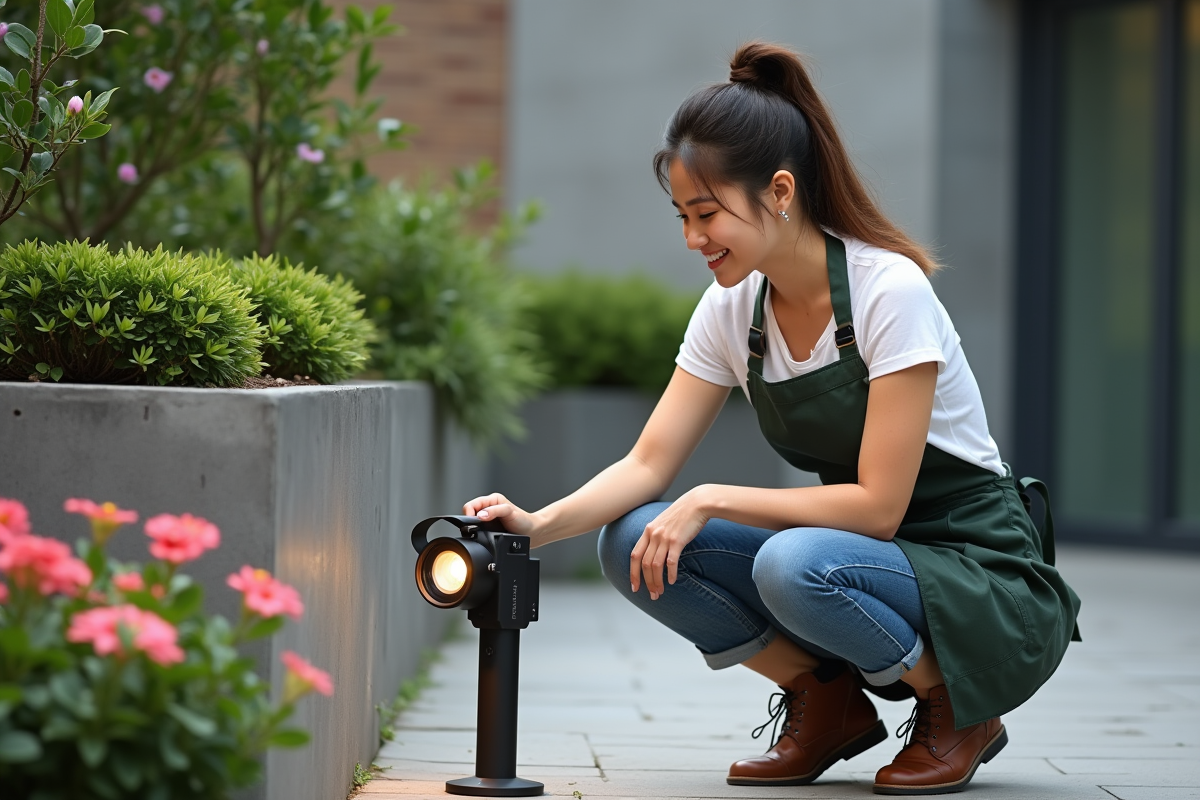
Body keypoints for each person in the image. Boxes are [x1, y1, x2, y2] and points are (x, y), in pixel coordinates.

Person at [464, 41, 1081, 796]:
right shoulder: (731, 309)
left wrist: (712, 498)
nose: (693, 239)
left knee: (792, 565)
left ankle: (956, 703)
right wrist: (533, 524)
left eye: (707, 213)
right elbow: (646, 466)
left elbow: (880, 510)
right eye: (682, 217)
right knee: (631, 541)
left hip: (977, 568)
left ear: (780, 191)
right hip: (863, 554)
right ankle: (826, 703)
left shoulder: (889, 291)